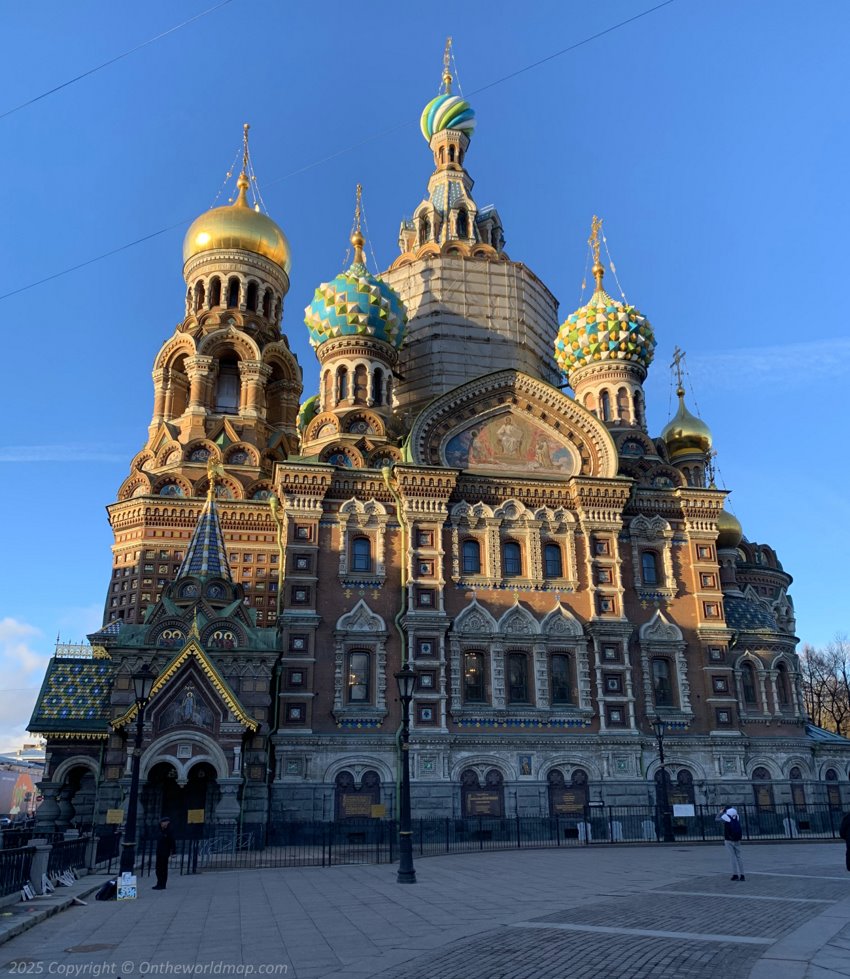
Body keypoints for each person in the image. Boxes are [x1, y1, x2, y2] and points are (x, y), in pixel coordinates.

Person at [716, 805, 745, 880]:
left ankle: (735, 874)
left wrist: (720, 812)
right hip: (737, 839)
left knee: (732, 857)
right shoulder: (737, 816)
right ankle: (742, 875)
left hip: (728, 839)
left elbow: (716, 819)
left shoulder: (726, 817)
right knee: (739, 856)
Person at [152, 816, 176, 890]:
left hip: (165, 852)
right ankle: (159, 883)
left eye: (163, 822)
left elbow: (172, 841)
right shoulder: (160, 830)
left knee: (163, 868)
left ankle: (162, 884)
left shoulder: (169, 831)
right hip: (159, 851)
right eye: (161, 822)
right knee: (158, 869)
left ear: (167, 822)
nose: (162, 824)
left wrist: (173, 852)